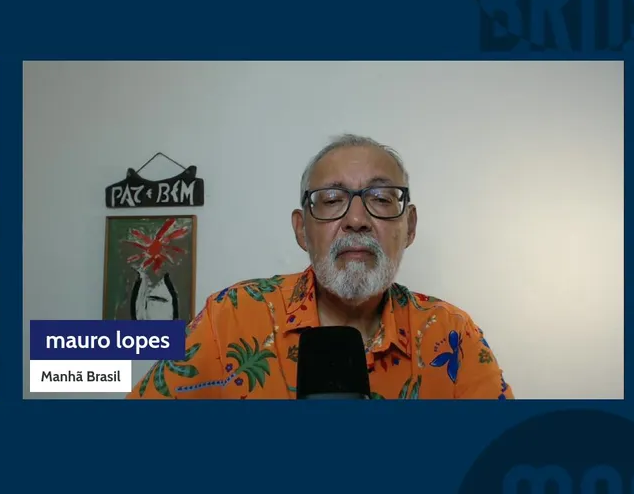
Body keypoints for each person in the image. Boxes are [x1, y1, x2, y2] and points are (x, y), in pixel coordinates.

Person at [128, 134, 514, 400]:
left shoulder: (452, 334)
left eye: (381, 198)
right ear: (302, 230)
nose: (357, 219)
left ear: (409, 227)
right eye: (331, 200)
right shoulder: (230, 317)